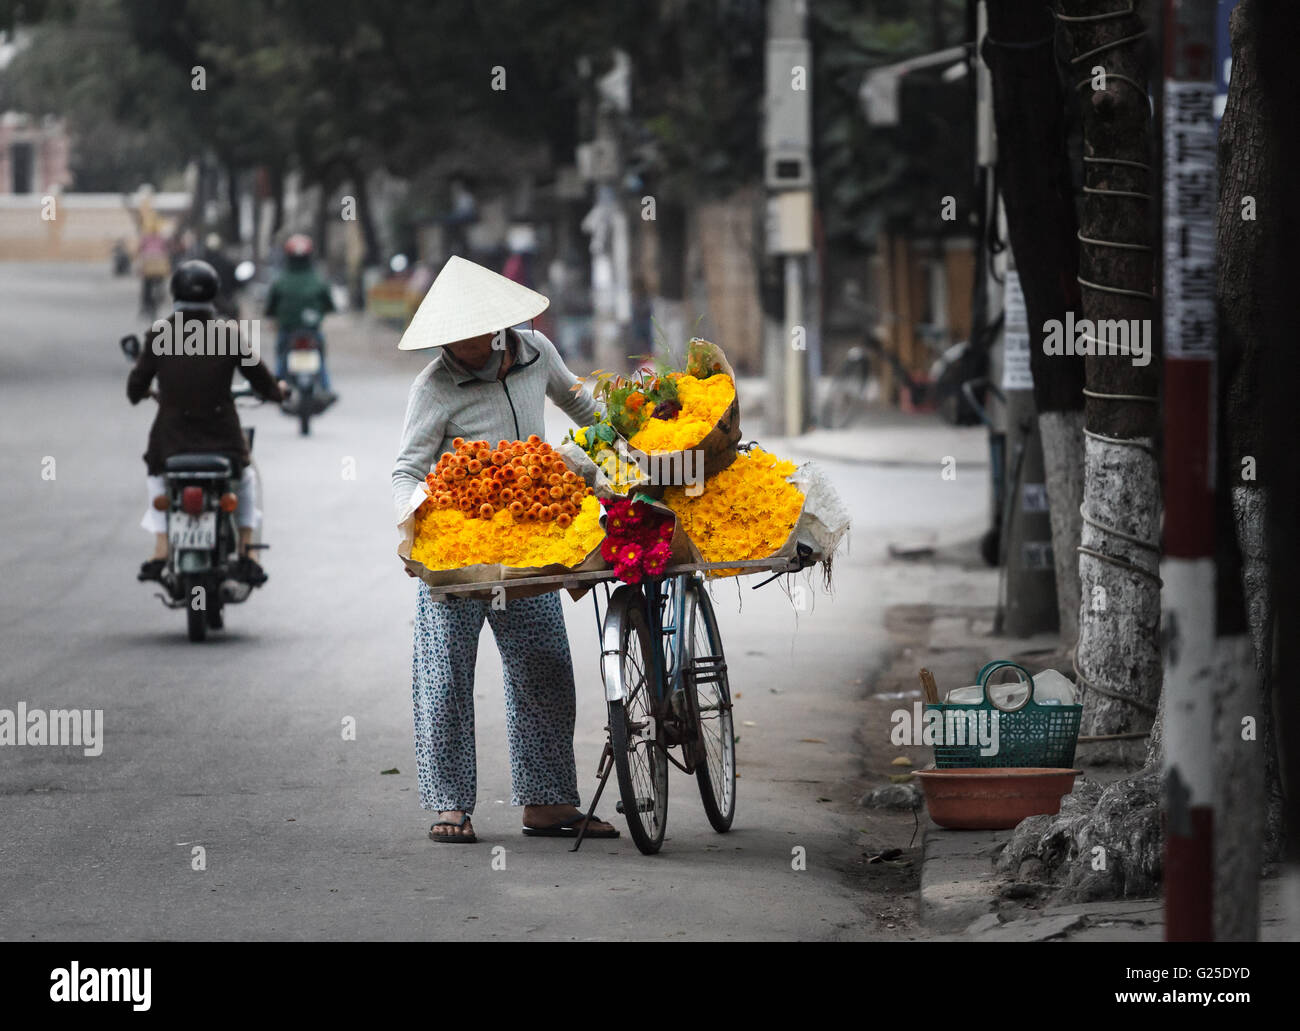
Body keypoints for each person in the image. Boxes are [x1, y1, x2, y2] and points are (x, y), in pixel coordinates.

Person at [391, 255, 618, 844]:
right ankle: (450, 804)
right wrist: (411, 519)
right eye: (447, 337)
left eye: (465, 334)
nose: (455, 347)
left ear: (493, 325)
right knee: (445, 678)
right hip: (461, 554)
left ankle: (545, 803)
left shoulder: (538, 354)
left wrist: (624, 455)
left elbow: (585, 411)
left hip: (532, 548)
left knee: (545, 670)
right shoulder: (433, 386)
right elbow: (406, 471)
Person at [128, 260, 285, 585]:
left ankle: (160, 549)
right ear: (213, 292)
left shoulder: (160, 334)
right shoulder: (228, 334)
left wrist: (146, 392)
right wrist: (278, 392)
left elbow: (134, 388)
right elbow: (263, 383)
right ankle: (247, 552)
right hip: (221, 439)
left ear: (174, 293)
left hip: (171, 440)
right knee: (244, 479)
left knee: (158, 478)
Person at [265, 233, 336, 398]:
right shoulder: (317, 280)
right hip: (311, 331)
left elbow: (270, 307)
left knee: (282, 358)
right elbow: (329, 304)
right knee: (320, 359)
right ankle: (326, 388)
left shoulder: (280, 281)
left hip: (288, 331)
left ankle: (276, 387)